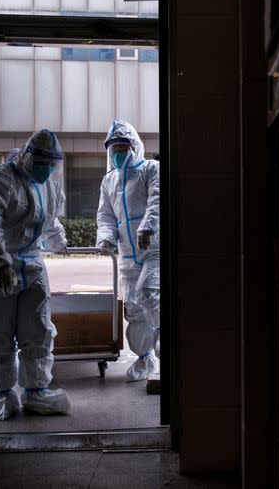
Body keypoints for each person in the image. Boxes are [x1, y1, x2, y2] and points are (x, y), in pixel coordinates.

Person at [0, 129, 72, 420]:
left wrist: (59, 243)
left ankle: (35, 391)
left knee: (39, 330)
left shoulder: (48, 186)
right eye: (41, 162)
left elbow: (50, 220)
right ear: (26, 156)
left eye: (51, 164)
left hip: (32, 266)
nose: (46, 169)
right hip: (0, 271)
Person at [96, 120, 160, 382]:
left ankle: (170, 356)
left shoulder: (150, 169)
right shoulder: (109, 180)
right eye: (114, 148)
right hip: (127, 255)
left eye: (123, 147)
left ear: (135, 147)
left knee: (152, 295)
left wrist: (148, 227)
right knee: (133, 309)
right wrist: (106, 239)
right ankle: (145, 359)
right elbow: (106, 216)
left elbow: (158, 200)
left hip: (153, 250)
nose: (119, 152)